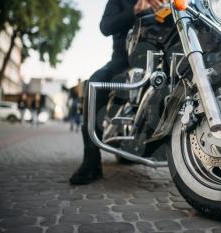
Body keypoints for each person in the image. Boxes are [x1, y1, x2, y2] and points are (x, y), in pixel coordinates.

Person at [69, 0, 165, 185]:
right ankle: (91, 161)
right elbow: (105, 27)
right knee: (94, 84)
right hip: (123, 60)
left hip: (161, 59)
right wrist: (135, 11)